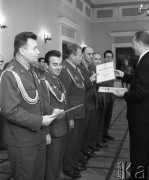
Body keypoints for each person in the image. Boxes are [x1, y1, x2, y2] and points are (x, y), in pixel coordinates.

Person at [0, 32, 63, 180]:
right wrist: (40, 121)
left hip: (38, 137)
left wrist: (52, 110)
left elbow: (39, 101)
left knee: (38, 175)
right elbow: (10, 111)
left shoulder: (32, 72)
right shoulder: (10, 74)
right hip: (22, 141)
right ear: (22, 51)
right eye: (35, 48)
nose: (38, 52)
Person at [115, 31, 149, 180]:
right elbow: (141, 80)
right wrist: (124, 76)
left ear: (140, 44)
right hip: (148, 113)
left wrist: (124, 94)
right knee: (148, 148)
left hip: (141, 115)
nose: (132, 47)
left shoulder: (146, 62)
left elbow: (141, 92)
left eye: (133, 44)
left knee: (139, 149)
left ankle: (138, 176)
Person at [40, 50, 72, 180]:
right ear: (46, 65)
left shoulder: (56, 79)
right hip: (53, 130)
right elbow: (43, 107)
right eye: (55, 64)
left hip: (62, 127)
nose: (59, 67)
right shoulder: (44, 81)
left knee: (58, 163)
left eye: (60, 64)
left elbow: (64, 102)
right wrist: (46, 132)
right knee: (52, 165)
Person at [59, 44, 86, 179]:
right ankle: (68, 167)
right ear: (72, 56)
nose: (82, 58)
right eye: (80, 55)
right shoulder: (65, 70)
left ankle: (74, 163)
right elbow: (66, 97)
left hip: (80, 111)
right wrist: (69, 117)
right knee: (71, 143)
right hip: (73, 113)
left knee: (76, 142)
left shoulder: (75, 68)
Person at [79, 46, 99, 157]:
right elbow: (80, 86)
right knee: (83, 130)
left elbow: (96, 84)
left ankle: (86, 148)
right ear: (82, 55)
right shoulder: (79, 68)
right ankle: (82, 151)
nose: (91, 56)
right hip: (85, 103)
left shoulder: (92, 67)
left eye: (92, 54)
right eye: (89, 54)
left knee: (91, 128)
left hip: (93, 101)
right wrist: (90, 80)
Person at [92, 52, 108, 149]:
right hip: (95, 99)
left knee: (101, 122)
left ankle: (98, 141)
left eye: (99, 59)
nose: (98, 61)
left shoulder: (102, 70)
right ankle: (93, 143)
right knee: (95, 123)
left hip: (102, 98)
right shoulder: (91, 70)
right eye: (95, 59)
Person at [102, 50, 115, 141]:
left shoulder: (112, 68)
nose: (108, 58)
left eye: (110, 57)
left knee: (108, 117)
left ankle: (105, 132)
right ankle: (100, 135)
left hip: (111, 96)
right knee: (102, 117)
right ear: (104, 58)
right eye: (106, 57)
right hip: (103, 97)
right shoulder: (101, 68)